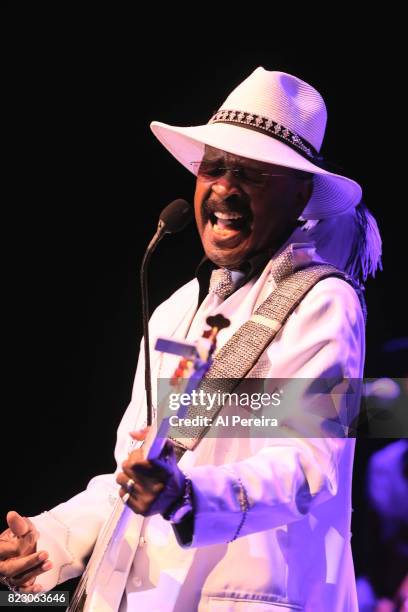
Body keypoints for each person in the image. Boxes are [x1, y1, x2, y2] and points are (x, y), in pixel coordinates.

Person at [0, 67, 382, 611]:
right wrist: (49, 540)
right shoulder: (176, 313)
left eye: (251, 173)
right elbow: (132, 476)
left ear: (300, 197)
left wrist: (186, 498)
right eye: (215, 167)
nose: (224, 186)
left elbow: (307, 465)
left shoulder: (322, 301)